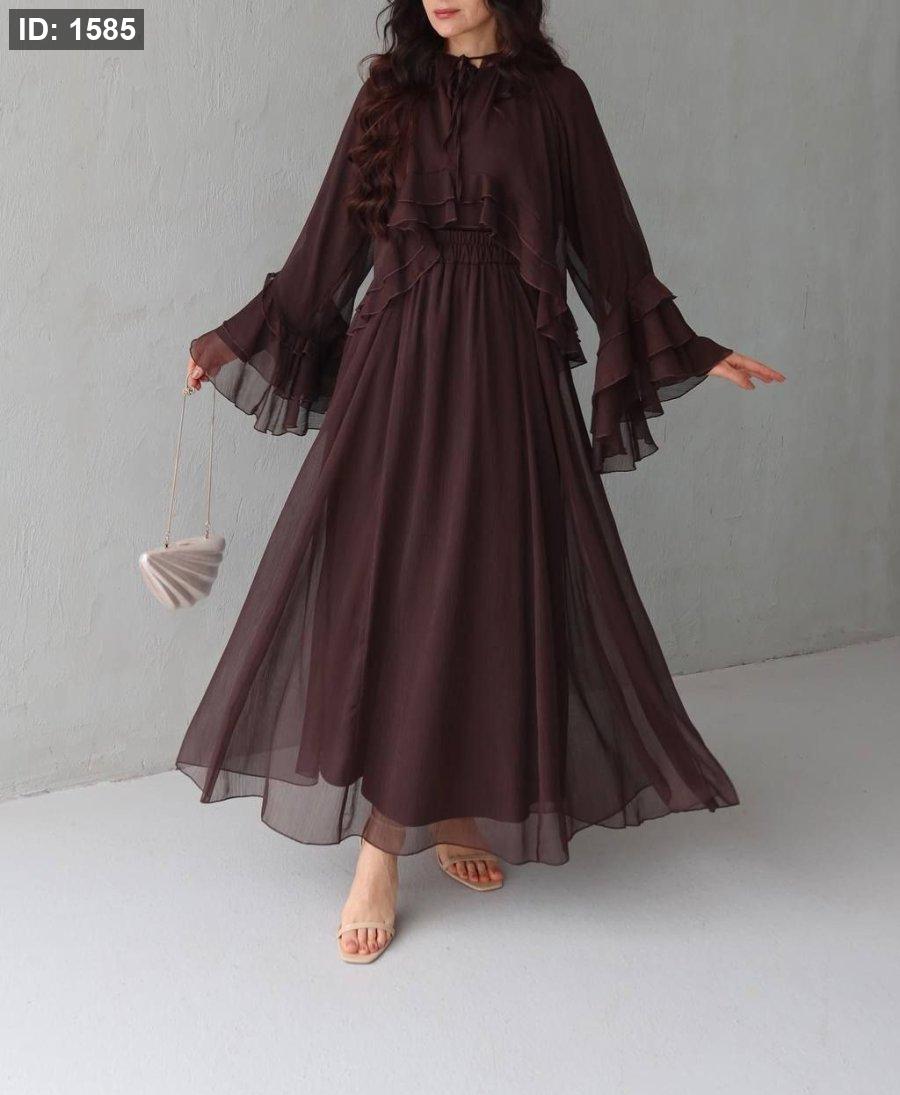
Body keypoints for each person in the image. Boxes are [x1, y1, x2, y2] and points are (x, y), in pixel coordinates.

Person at [178, 0, 785, 964]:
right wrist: (238, 338)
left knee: (485, 588)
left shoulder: (556, 99)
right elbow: (329, 242)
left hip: (507, 371)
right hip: (397, 368)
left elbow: (610, 244)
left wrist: (694, 350)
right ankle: (381, 851)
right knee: (390, 586)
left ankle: (453, 804)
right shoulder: (389, 93)